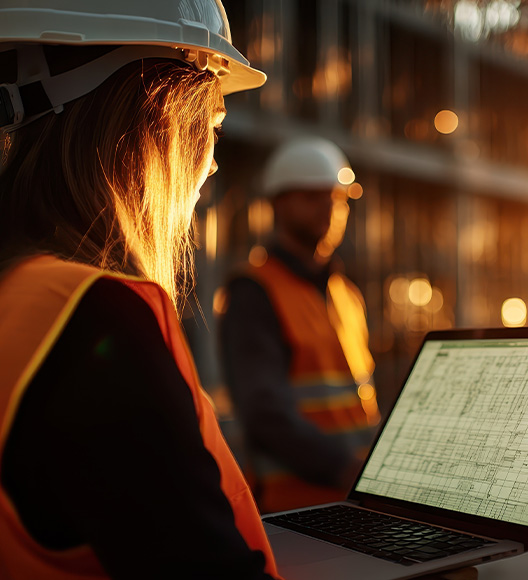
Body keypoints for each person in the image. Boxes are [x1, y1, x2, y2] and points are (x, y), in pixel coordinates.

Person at [0, 1, 281, 578]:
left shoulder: (20, 294)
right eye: (213, 128)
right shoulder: (92, 320)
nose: (211, 167)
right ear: (160, 117)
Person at [219, 136, 380, 515]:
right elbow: (265, 413)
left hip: (355, 506)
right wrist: (346, 469)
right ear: (278, 202)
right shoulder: (253, 291)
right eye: (312, 196)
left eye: (338, 198)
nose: (329, 209)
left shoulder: (347, 293)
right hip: (294, 512)